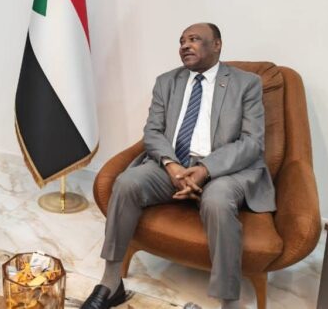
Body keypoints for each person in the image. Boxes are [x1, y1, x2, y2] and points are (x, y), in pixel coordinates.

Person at [81, 23, 275, 309]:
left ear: (217, 44)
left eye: (194, 39)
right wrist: (171, 165)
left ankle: (229, 303)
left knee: (218, 201)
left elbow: (251, 142)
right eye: (182, 41)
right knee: (126, 183)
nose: (185, 45)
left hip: (223, 170)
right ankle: (111, 283)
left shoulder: (246, 83)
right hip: (172, 165)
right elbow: (153, 132)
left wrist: (205, 169)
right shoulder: (166, 82)